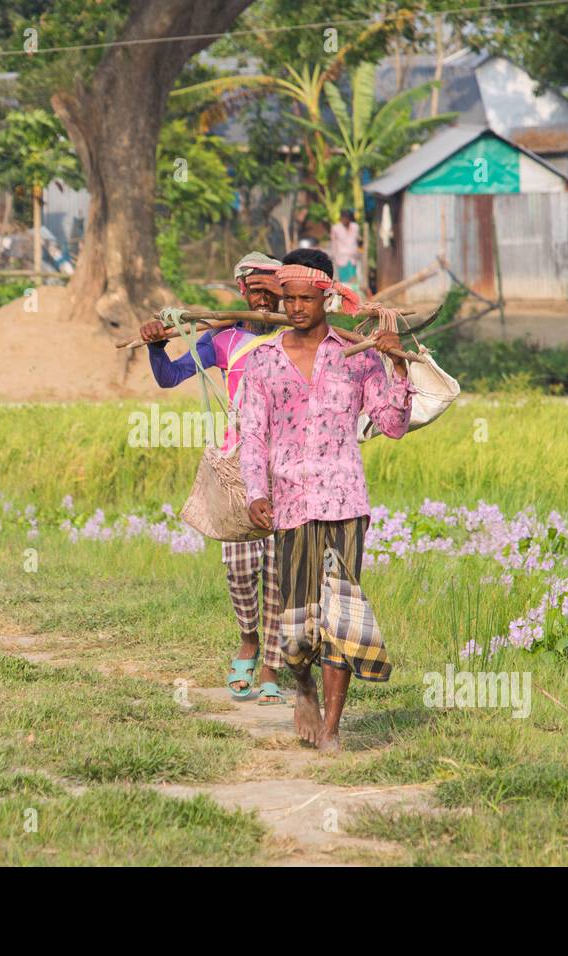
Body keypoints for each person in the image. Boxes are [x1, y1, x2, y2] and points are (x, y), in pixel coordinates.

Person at [240, 247, 414, 752]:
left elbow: (393, 425)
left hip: (345, 504)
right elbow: (252, 435)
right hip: (289, 505)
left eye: (305, 299)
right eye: (286, 299)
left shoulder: (357, 356)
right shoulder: (264, 362)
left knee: (341, 616)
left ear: (328, 298)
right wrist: (256, 493)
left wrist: (396, 361)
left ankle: (334, 730)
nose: (295, 308)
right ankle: (302, 686)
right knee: (297, 622)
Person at [138, 252, 289, 704]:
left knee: (281, 566)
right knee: (240, 566)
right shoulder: (224, 340)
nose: (263, 298)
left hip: (290, 459)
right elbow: (169, 377)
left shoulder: (301, 335)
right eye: (255, 289)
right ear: (242, 291)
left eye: (273, 289)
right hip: (239, 459)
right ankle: (248, 639)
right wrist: (154, 345)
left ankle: (271, 664)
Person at [328, 210, 363, 295]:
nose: (345, 220)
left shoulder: (355, 227)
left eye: (347, 218)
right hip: (341, 258)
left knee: (354, 279)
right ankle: (345, 297)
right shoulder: (336, 228)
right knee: (344, 281)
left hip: (353, 257)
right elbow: (333, 243)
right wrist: (334, 256)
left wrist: (360, 250)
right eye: (344, 218)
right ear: (341, 218)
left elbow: (358, 240)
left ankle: (354, 296)